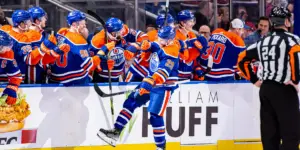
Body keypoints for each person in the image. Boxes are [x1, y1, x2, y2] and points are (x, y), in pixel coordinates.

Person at [97, 26, 180, 150]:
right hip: (149, 82)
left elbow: (163, 72)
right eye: (159, 37)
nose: (159, 40)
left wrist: (147, 84)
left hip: (163, 87)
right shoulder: (162, 45)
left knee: (155, 116)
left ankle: (161, 148)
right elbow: (149, 45)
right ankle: (115, 133)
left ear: (169, 40)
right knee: (130, 103)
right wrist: (137, 47)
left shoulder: (171, 52)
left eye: (162, 39)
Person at [237, 6, 300, 150]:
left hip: (266, 90)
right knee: (291, 133)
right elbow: (295, 57)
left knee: (270, 135)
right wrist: (295, 80)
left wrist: (254, 80)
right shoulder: (292, 39)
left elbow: (241, 60)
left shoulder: (263, 41)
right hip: (284, 89)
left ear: (272, 22)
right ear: (287, 21)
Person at [1, 9, 65, 83]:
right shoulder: (23, 39)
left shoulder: (4, 29)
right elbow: (30, 60)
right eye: (28, 21)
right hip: (13, 78)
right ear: (21, 24)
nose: (30, 24)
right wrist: (42, 48)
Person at [48, 10, 109, 85]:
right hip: (72, 82)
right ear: (74, 24)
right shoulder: (79, 41)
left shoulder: (61, 32)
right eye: (82, 22)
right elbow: (88, 65)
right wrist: (102, 52)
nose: (84, 25)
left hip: (55, 79)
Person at [89, 17, 147, 82]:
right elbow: (90, 63)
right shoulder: (97, 41)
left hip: (118, 75)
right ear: (109, 33)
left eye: (121, 31)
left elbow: (145, 37)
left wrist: (135, 47)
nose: (121, 34)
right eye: (117, 32)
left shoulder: (124, 30)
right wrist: (103, 60)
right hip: (100, 78)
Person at [125, 13, 175, 82]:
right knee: (128, 91)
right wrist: (134, 48)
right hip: (138, 69)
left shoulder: (172, 38)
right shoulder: (151, 35)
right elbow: (140, 44)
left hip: (151, 73)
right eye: (171, 23)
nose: (173, 25)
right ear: (165, 25)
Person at [0, 30, 22, 104]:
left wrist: (12, 88)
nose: (8, 49)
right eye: (6, 47)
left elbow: (16, 76)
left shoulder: (8, 53)